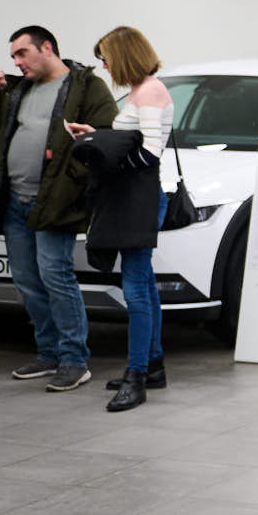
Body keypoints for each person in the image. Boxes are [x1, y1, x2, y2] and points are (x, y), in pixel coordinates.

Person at [0, 25, 117, 392]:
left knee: (55, 277)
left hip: (56, 200)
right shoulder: (17, 89)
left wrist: (79, 164)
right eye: (13, 57)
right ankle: (48, 354)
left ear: (46, 48)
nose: (16, 62)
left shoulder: (85, 86)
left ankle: (73, 360)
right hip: (15, 200)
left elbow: (109, 133)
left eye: (21, 53)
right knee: (28, 282)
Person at [67, 27, 172, 412]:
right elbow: (133, 141)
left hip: (139, 200)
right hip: (134, 198)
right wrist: (97, 136)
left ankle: (137, 376)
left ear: (124, 54)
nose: (105, 65)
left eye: (106, 57)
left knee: (135, 290)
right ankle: (153, 365)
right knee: (143, 284)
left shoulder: (150, 91)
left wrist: (101, 152)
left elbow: (149, 153)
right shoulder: (139, 91)